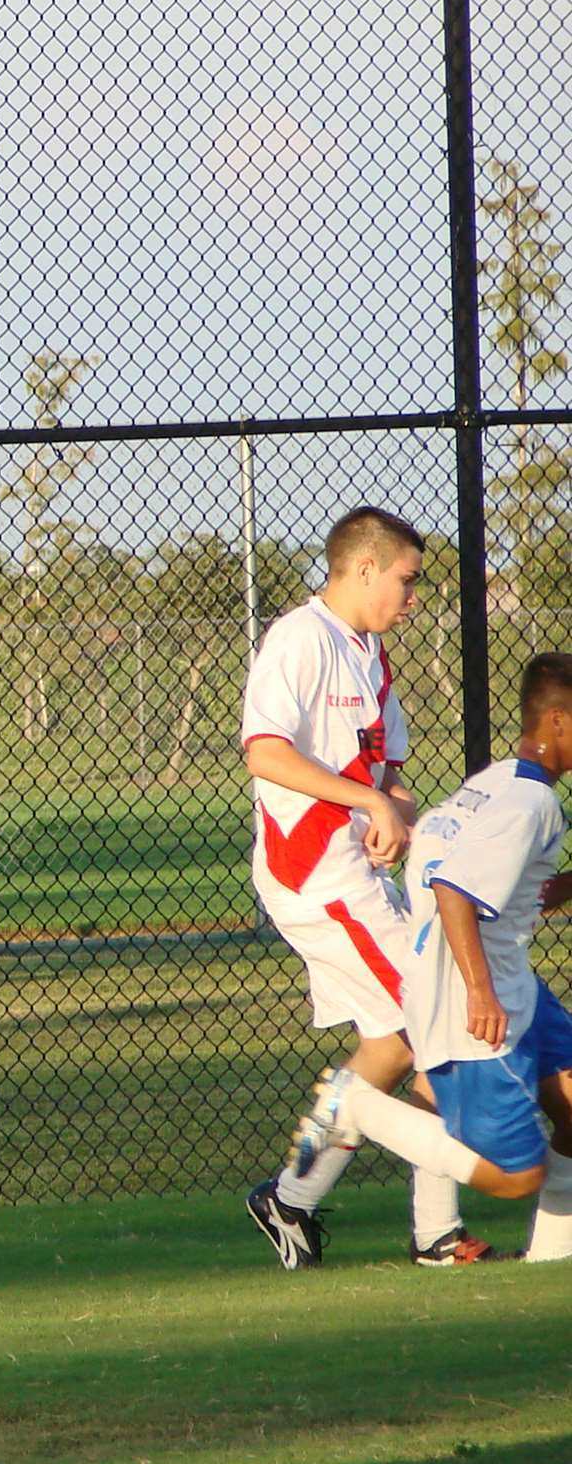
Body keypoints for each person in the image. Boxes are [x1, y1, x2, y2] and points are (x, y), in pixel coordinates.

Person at [236, 508, 485, 1268]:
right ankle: (435, 1231)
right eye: (407, 580)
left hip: (356, 875)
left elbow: (389, 779)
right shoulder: (300, 639)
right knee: (443, 1023)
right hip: (316, 877)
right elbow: (265, 753)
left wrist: (393, 808)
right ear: (364, 568)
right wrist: (370, 803)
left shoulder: (368, 654)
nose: (414, 596)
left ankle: (291, 1199)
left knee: (390, 1043)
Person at [289, 652, 572, 1252]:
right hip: (473, 992)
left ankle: (551, 1255)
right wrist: (478, 989)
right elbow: (454, 890)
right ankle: (360, 1107)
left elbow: (506, 888)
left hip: (497, 974)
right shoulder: (531, 805)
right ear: (559, 723)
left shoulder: (495, 784)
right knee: (514, 1176)